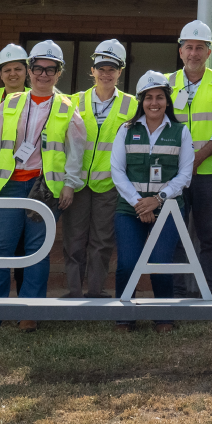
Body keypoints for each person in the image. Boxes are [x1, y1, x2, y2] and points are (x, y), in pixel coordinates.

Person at [0, 39, 87, 331]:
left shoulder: (67, 108)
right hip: (9, 185)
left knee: (37, 251)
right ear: (30, 70)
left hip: (45, 189)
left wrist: (70, 185)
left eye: (50, 70)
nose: (43, 74)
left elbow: (77, 150)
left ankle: (30, 312)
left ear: (58, 73)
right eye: (38, 68)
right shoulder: (10, 103)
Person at [110, 71, 195, 332]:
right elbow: (117, 171)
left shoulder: (181, 131)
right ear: (141, 101)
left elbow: (185, 174)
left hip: (168, 208)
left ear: (168, 101)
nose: (154, 103)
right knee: (127, 262)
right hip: (130, 208)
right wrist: (140, 203)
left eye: (160, 97)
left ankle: (163, 317)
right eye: (148, 98)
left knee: (160, 261)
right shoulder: (126, 130)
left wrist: (157, 200)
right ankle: (124, 316)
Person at [62, 39, 134, 299]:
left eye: (111, 69)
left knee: (102, 242)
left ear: (120, 71)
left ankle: (95, 292)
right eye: (101, 68)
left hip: (109, 186)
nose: (106, 73)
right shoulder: (71, 102)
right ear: (92, 70)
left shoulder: (132, 105)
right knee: (74, 241)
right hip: (76, 185)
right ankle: (73, 293)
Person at [172, 20, 212, 297]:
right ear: (180, 51)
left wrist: (197, 158)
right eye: (188, 47)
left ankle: (211, 291)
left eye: (200, 48)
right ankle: (177, 290)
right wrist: (183, 162)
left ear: (209, 53)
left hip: (210, 171)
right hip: (172, 173)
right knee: (175, 233)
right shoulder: (165, 82)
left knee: (211, 234)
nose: (194, 53)